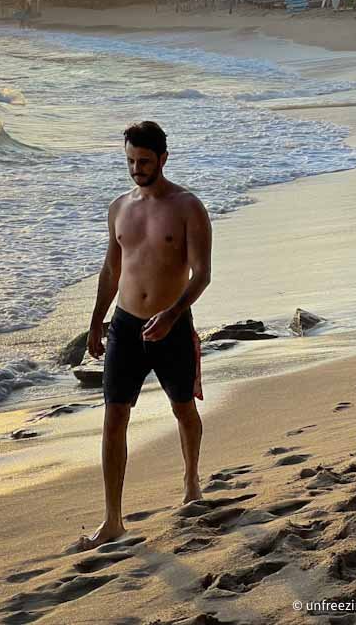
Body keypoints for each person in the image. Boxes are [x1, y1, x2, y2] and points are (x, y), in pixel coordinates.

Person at [79, 120, 212, 550]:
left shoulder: (188, 207)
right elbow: (112, 269)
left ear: (163, 159)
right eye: (131, 162)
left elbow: (202, 274)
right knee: (114, 417)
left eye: (144, 162)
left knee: (182, 409)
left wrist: (173, 315)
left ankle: (192, 480)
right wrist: (97, 319)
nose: (137, 169)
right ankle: (112, 519)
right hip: (126, 325)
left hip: (171, 326)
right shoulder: (119, 207)